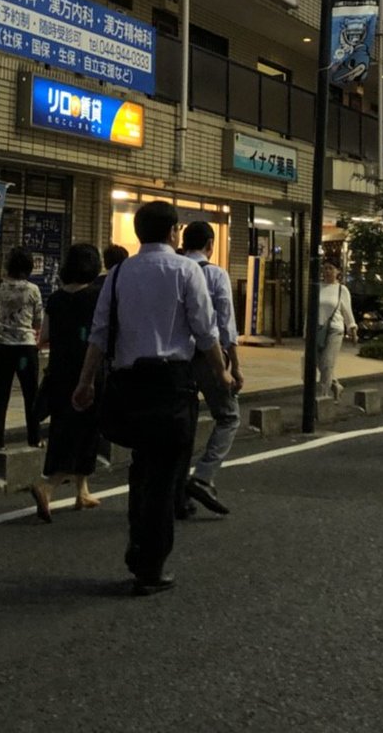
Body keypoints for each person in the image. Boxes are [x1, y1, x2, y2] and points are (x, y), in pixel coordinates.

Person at [73, 201, 231, 596]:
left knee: (142, 470)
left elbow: (100, 330)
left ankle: (138, 549)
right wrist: (223, 372)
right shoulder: (186, 271)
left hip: (130, 384)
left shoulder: (120, 272)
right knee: (164, 477)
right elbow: (206, 330)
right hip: (172, 383)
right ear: (173, 231)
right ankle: (150, 566)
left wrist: (85, 382)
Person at [30, 243, 105, 522]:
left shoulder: (57, 298)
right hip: (88, 371)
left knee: (63, 427)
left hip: (59, 371)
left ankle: (82, 492)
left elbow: (44, 336)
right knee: (85, 430)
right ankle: (47, 486)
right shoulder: (97, 297)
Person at [176, 221, 243, 519]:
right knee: (228, 416)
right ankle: (203, 476)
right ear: (210, 244)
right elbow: (225, 324)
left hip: (174, 359)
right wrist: (234, 366)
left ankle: (178, 493)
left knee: (183, 423)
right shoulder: (215, 274)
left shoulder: (173, 270)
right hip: (207, 356)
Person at [0, 246, 44, 453]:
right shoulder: (33, 290)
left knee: (0, 397)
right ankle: (34, 439)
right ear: (28, 267)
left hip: (0, 347)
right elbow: (38, 321)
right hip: (25, 349)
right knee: (31, 396)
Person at [316, 263, 358, 400]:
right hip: (318, 329)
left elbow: (348, 311)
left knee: (328, 362)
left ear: (337, 271)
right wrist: (306, 330)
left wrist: (352, 329)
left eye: (331, 268)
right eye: (325, 268)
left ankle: (324, 396)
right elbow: (311, 311)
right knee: (319, 363)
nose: (327, 271)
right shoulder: (317, 287)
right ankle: (335, 385)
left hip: (335, 329)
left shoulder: (342, 289)